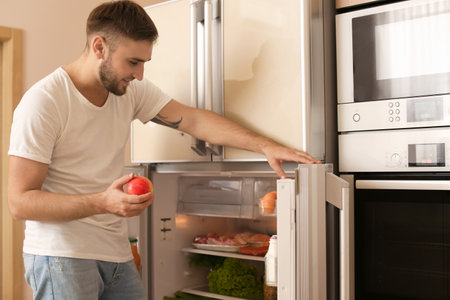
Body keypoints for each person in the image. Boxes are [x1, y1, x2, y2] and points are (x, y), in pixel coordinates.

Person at [7, 1, 320, 299]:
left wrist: (265, 146)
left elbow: (194, 120)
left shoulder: (130, 92)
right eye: (133, 62)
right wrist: (104, 202)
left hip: (116, 254)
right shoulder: (45, 102)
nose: (140, 74)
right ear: (99, 47)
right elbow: (20, 202)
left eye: (144, 62)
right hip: (62, 257)